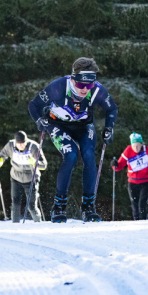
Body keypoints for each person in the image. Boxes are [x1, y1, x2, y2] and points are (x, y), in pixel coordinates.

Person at [28, 57, 118, 223]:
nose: (85, 89)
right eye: (81, 85)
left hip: (83, 126)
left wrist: (109, 129)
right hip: (58, 125)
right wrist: (40, 121)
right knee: (70, 156)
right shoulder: (58, 87)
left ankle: (88, 206)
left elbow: (111, 108)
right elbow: (34, 105)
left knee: (89, 156)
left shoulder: (97, 90)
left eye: (89, 85)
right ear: (73, 79)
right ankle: (59, 206)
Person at [0, 131, 47, 223]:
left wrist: (34, 162)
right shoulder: (10, 145)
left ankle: (38, 224)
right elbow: (1, 156)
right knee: (15, 203)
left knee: (31, 206)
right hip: (16, 177)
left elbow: (44, 165)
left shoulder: (33, 147)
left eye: (24, 143)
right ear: (16, 142)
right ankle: (15, 225)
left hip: (31, 178)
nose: (22, 145)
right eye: (19, 144)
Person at [111, 132, 148, 220]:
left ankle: (143, 222)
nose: (136, 148)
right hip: (132, 183)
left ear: (141, 144)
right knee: (134, 205)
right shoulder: (128, 150)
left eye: (138, 145)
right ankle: (136, 223)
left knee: (142, 204)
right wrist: (114, 165)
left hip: (146, 182)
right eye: (134, 146)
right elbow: (118, 167)